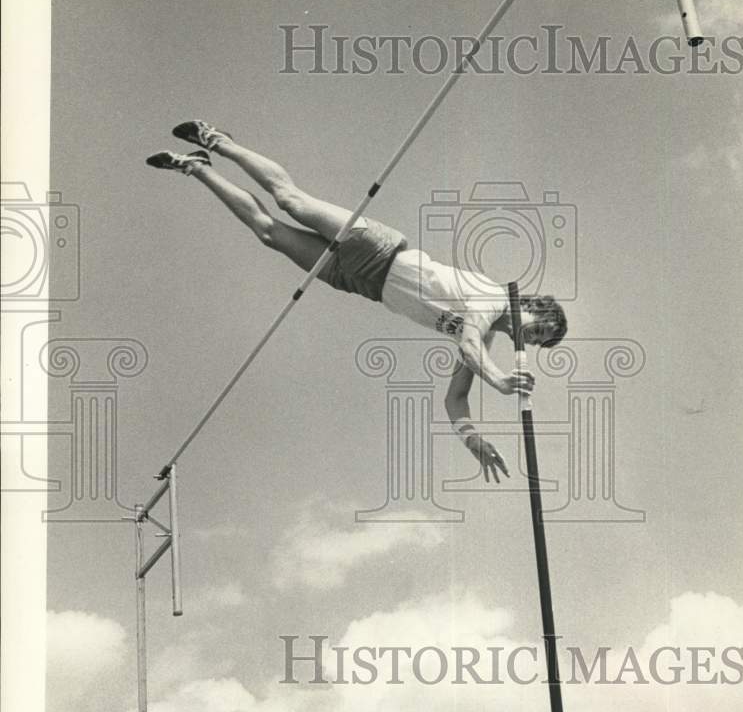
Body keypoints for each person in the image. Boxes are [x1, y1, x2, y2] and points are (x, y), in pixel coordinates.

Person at [147, 121, 567, 482]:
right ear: (532, 305)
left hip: (363, 285)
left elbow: (454, 398)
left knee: (269, 234)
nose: (527, 338)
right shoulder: (494, 299)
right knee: (289, 200)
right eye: (536, 329)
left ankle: (196, 168)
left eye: (535, 342)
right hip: (378, 250)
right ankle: (219, 140)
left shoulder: (482, 344)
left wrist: (472, 440)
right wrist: (498, 380)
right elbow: (470, 344)